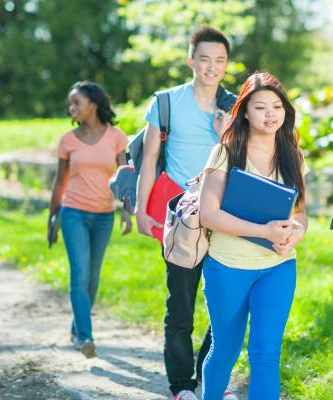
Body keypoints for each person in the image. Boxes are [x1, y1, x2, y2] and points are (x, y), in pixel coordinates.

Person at [135, 26, 237, 400]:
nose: (212, 67)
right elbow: (148, 160)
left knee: (226, 306)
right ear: (191, 60)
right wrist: (141, 210)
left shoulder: (235, 104)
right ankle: (182, 386)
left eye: (220, 61)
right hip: (182, 219)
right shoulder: (166, 102)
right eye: (205, 59)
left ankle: (213, 381)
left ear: (226, 65)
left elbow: (247, 162)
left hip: (226, 217)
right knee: (181, 305)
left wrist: (226, 133)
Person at [198, 72, 307, 400]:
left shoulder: (293, 155)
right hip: (227, 267)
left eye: (277, 106)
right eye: (260, 107)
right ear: (245, 111)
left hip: (278, 267)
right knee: (226, 350)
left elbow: (300, 214)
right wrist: (263, 231)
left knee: (266, 356)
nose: (270, 114)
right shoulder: (225, 152)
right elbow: (209, 213)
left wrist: (296, 234)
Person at [48, 81, 131, 359]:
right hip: (74, 213)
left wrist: (127, 211)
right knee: (80, 275)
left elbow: (126, 178)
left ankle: (76, 327)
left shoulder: (117, 136)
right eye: (70, 104)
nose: (71, 108)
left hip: (105, 215)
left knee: (92, 278)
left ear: (93, 105)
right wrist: (52, 218)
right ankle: (86, 335)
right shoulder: (67, 141)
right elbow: (60, 182)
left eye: (76, 103)